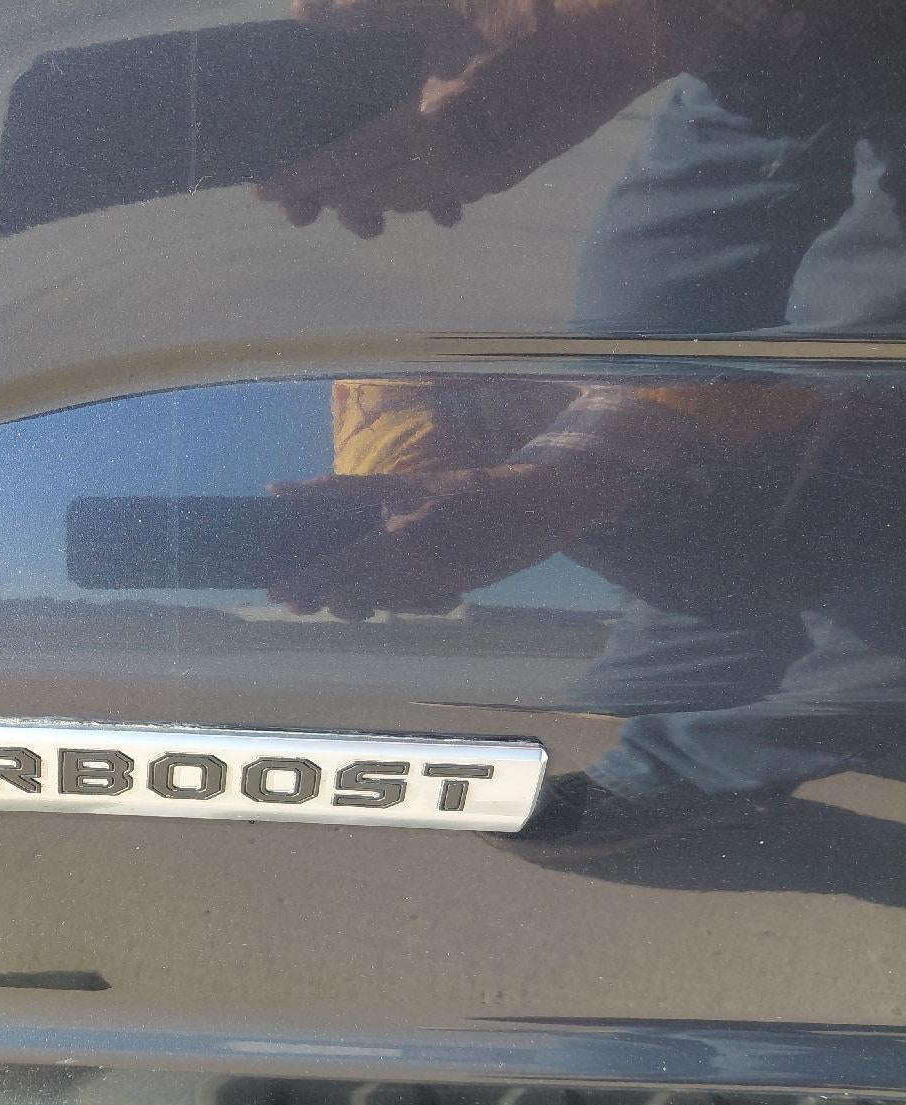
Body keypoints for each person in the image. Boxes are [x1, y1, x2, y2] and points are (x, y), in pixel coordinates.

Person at [258, 0, 906, 851]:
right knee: (640, 323)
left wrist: (561, 488)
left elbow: (859, 374)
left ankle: (807, 709)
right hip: (771, 35)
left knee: (858, 364)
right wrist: (411, 471)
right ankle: (712, 639)